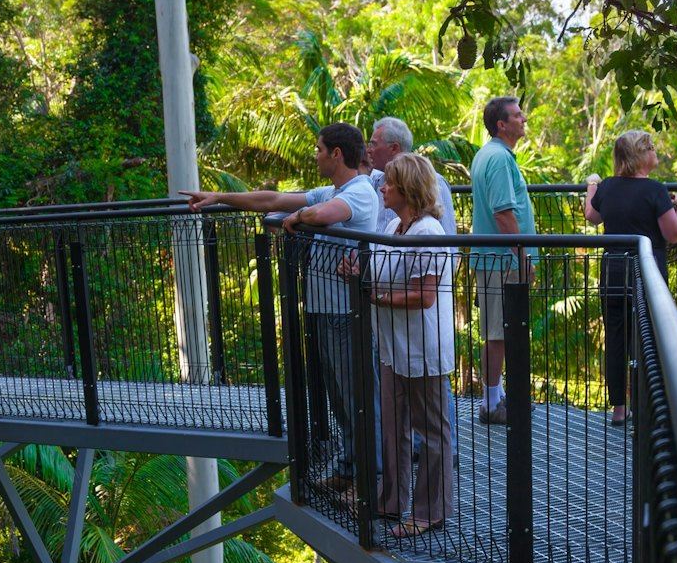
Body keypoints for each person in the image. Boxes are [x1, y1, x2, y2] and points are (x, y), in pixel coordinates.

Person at [182, 122, 379, 492]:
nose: (316, 155)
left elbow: (322, 215)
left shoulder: (360, 192)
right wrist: (218, 197)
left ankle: (369, 480)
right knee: (340, 397)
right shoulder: (331, 190)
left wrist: (296, 219)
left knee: (358, 400)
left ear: (337, 154)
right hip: (326, 310)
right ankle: (351, 471)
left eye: (320, 149)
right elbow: (272, 200)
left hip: (345, 313)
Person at [366, 152, 455, 535]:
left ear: (407, 187)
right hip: (392, 346)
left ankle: (429, 512)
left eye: (389, 182)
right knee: (394, 425)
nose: (382, 187)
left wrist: (377, 297)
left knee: (431, 431)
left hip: (422, 349)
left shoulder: (428, 233)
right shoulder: (393, 229)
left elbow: (425, 295)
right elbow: (380, 274)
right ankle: (391, 501)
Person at [583, 130, 677, 425]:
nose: (656, 151)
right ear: (640, 156)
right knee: (648, 339)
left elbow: (592, 215)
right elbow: (675, 233)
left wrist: (592, 186)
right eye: (651, 148)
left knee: (616, 337)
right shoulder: (655, 191)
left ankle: (619, 408)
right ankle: (647, 407)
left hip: (614, 271)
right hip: (647, 273)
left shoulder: (608, 187)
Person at [470, 96, 537, 426]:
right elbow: (503, 213)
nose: (523, 118)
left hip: (498, 259)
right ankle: (490, 404)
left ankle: (500, 397)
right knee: (498, 333)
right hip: (502, 261)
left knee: (503, 331)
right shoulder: (497, 159)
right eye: (517, 115)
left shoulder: (494, 155)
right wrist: (522, 257)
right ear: (501, 124)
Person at [366, 117, 458, 236]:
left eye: (373, 144)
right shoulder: (376, 182)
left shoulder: (433, 181)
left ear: (394, 148)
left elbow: (449, 238)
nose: (369, 150)